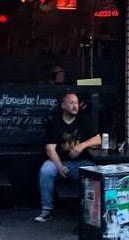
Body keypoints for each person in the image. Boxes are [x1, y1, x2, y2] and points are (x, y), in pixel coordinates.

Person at [34, 92, 101, 223]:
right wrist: (59, 166)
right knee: (46, 170)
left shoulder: (84, 119)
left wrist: (81, 146)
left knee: (94, 174)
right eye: (71, 103)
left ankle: (91, 212)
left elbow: (98, 139)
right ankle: (47, 210)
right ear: (63, 105)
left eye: (76, 103)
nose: (75, 106)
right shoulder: (55, 122)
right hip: (59, 162)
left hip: (81, 162)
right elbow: (50, 149)